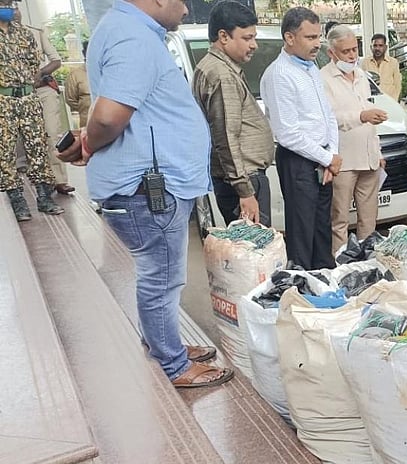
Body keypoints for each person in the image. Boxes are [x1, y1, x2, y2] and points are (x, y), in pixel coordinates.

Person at [57, 0, 234, 387]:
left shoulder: (124, 29)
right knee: (162, 277)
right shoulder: (132, 36)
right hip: (150, 187)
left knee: (160, 275)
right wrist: (89, 145)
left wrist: (90, 140)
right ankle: (175, 365)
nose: (187, 10)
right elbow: (107, 116)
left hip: (150, 183)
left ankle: (163, 344)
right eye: (183, 1)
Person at [261, 7, 340, 269]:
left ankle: (325, 282)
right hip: (298, 161)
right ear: (290, 37)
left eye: (318, 37)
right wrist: (327, 157)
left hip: (322, 159)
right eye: (310, 37)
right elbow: (288, 133)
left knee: (321, 228)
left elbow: (328, 114)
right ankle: (303, 289)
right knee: (302, 232)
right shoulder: (279, 74)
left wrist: (332, 155)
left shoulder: (310, 67)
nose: (317, 43)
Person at [193, 1, 274, 227]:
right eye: (247, 38)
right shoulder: (221, 75)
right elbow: (226, 137)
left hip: (242, 179)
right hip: (244, 180)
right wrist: (245, 191)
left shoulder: (217, 67)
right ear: (224, 36)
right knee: (255, 254)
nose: (254, 45)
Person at [321, 24, 387, 253]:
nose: (351, 55)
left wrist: (378, 153)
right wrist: (361, 116)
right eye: (345, 51)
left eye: (354, 49)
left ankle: (366, 263)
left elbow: (370, 118)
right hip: (343, 161)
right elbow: (331, 119)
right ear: (331, 53)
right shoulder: (323, 79)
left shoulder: (360, 75)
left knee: (368, 219)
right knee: (339, 219)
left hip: (368, 158)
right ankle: (341, 265)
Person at [0, 0, 63, 222]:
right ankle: (18, 202)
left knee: (37, 145)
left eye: (10, 3)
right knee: (5, 152)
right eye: (3, 3)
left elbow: (34, 62)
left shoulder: (24, 33)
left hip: (28, 97)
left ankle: (45, 198)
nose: (8, 8)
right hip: (3, 99)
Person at [14, 5, 74, 196]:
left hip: (43, 90)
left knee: (51, 132)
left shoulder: (36, 33)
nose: (13, 11)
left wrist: (41, 72)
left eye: (15, 7)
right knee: (23, 138)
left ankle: (60, 180)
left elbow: (56, 60)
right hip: (16, 95)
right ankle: (32, 181)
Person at [362, 33, 402, 100]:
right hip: (373, 103)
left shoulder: (393, 62)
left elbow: (398, 85)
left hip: (390, 102)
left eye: (380, 45)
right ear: (371, 47)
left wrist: (395, 101)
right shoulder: (365, 63)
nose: (377, 48)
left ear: (385, 47)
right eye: (375, 45)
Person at [64, 41, 92, 128]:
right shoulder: (75, 75)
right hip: (87, 125)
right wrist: (85, 106)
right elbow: (71, 100)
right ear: (84, 53)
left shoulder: (111, 72)